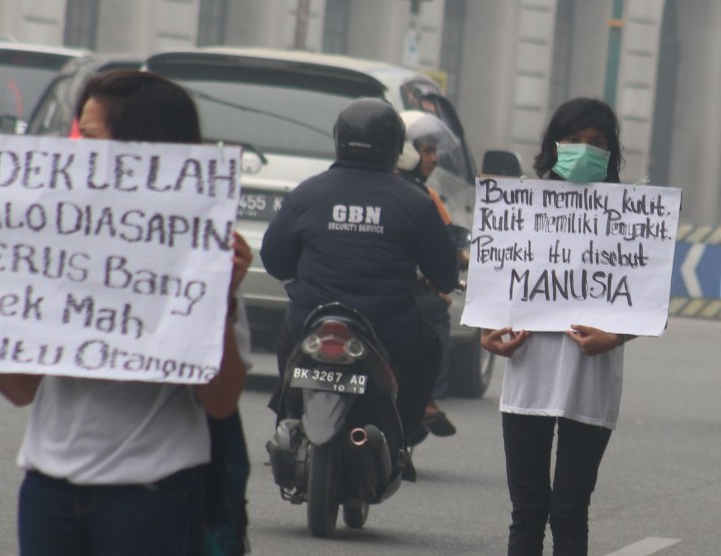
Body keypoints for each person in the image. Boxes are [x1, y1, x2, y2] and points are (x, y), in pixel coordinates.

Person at [0, 70, 253, 556]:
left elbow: (220, 402)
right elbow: (20, 389)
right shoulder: (53, 243)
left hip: (152, 496)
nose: (71, 152)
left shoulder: (203, 256)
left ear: (142, 152)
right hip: (48, 492)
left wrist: (219, 301)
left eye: (87, 138)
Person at [261, 97, 459, 460]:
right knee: (428, 349)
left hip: (310, 320)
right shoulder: (416, 202)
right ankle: (401, 436)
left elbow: (274, 261)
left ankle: (288, 415)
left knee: (287, 341)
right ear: (396, 148)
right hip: (388, 328)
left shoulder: (308, 193)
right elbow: (445, 275)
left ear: (339, 139)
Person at [480, 97, 633, 556]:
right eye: (573, 140)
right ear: (553, 145)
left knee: (569, 512)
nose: (584, 150)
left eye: (596, 142)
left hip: (591, 383)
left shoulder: (629, 214)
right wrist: (489, 333)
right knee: (526, 511)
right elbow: (496, 280)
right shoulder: (519, 206)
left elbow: (646, 303)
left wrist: (617, 337)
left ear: (611, 152)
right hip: (528, 380)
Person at [396, 109, 469, 438]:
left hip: (327, 299)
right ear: (407, 151)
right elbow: (448, 254)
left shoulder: (326, 187)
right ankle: (424, 399)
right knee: (437, 310)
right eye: (427, 150)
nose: (435, 159)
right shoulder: (421, 199)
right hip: (394, 301)